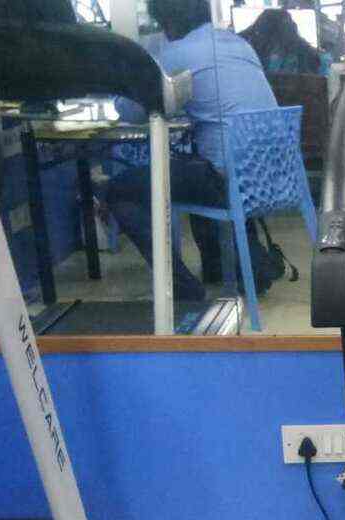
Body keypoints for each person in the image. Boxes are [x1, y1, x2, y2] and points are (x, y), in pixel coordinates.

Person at [109, 0, 280, 303]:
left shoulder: (177, 54)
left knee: (119, 191)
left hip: (228, 180)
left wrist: (125, 83)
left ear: (168, 22)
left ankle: (184, 290)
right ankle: (223, 268)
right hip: (272, 175)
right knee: (197, 166)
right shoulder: (239, 44)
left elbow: (131, 111)